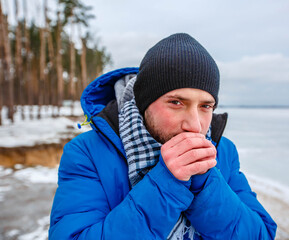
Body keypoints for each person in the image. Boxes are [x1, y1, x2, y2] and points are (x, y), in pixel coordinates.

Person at [49, 33, 277, 240]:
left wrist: (205, 182)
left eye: (205, 106)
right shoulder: (86, 153)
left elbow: (262, 234)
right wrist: (166, 183)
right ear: (144, 103)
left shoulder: (223, 151)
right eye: (176, 103)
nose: (195, 126)